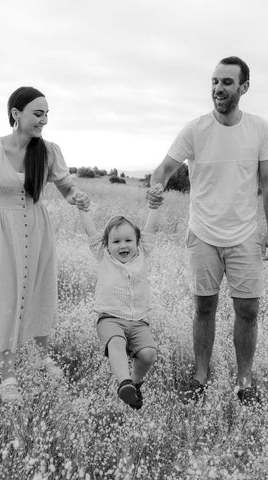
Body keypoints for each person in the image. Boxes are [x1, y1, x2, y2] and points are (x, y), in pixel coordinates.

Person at [148, 56, 268, 405]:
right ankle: (200, 376)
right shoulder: (195, 129)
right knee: (204, 307)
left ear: (244, 88)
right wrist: (156, 187)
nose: (218, 88)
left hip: (245, 235)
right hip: (202, 233)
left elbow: (266, 181)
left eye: (227, 82)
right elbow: (163, 169)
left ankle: (244, 380)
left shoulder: (259, 128)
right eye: (215, 81)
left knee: (248, 311)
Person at [0, 86, 89, 403]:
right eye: (37, 113)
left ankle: (41, 357)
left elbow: (66, 188)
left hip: (37, 227)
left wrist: (77, 197)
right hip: (0, 231)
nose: (44, 119)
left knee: (40, 290)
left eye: (47, 114)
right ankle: (8, 375)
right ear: (16, 114)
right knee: (3, 294)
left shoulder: (49, 151)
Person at [77, 186, 162, 409]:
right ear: (107, 245)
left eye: (128, 240)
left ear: (137, 242)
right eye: (116, 242)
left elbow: (150, 228)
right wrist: (82, 210)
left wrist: (154, 207)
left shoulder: (143, 254)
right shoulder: (103, 256)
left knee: (149, 354)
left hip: (138, 321)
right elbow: (91, 234)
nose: (122, 245)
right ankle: (124, 382)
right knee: (116, 342)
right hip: (110, 318)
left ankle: (134, 384)